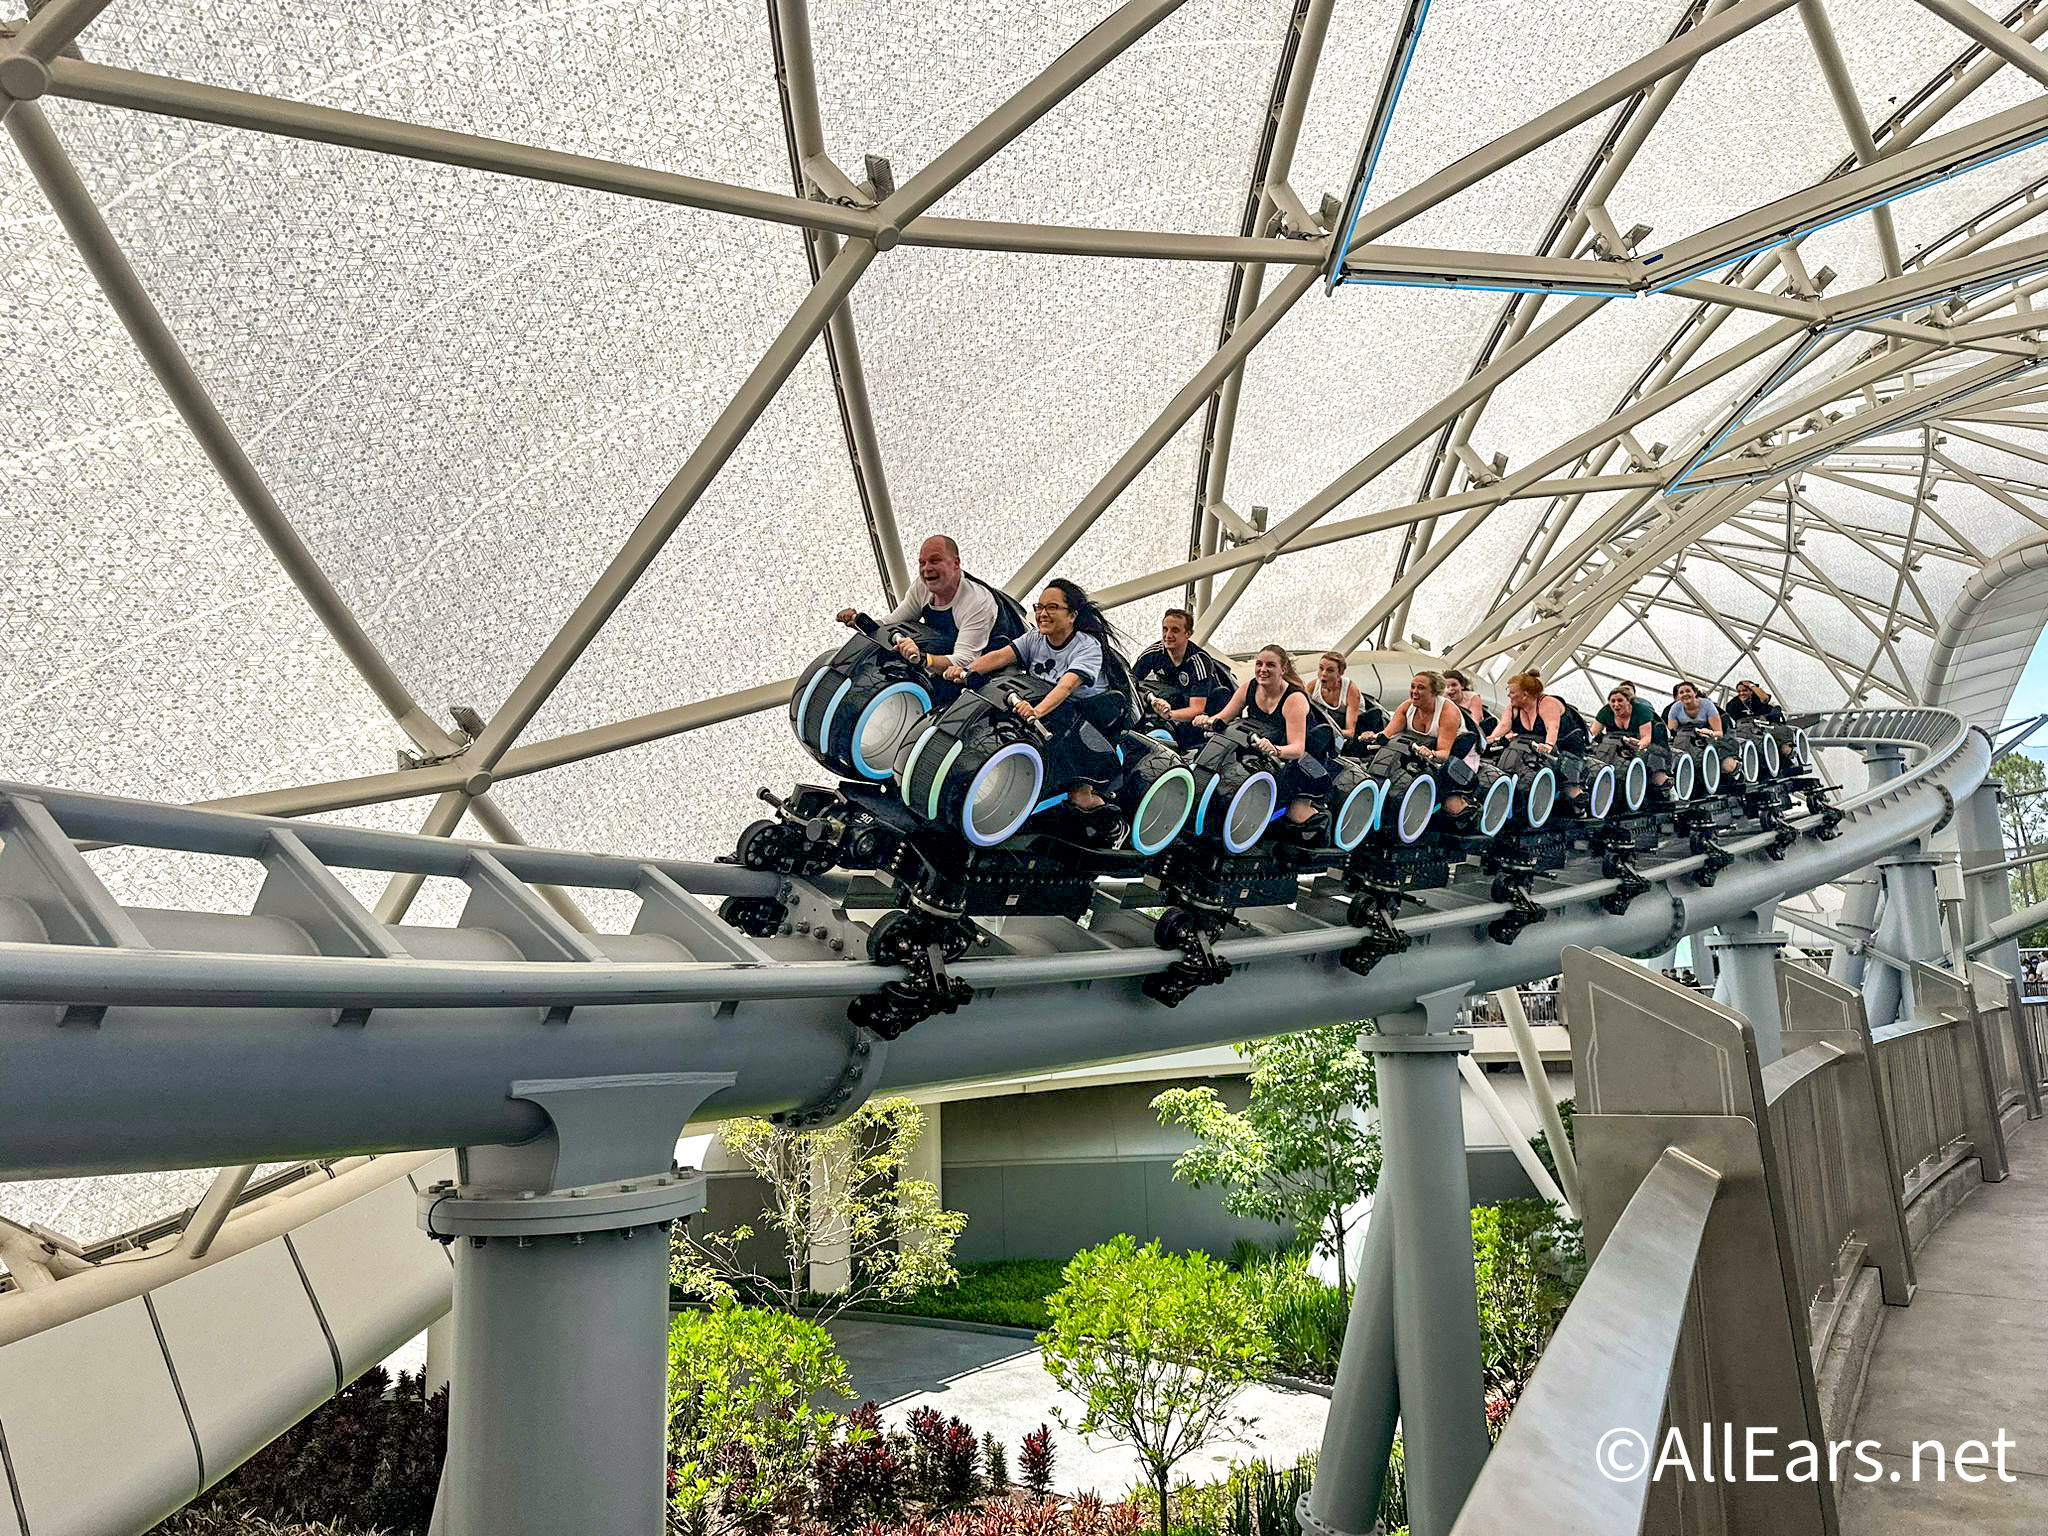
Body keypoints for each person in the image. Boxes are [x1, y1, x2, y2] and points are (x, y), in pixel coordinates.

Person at [947, 578, 1129, 814]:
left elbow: (1066, 687)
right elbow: (1001, 656)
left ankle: (1111, 819)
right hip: (1051, 710)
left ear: (1072, 615)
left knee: (1079, 799)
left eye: (1052, 607)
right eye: (1039, 607)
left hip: (1085, 722)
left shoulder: (1087, 646)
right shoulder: (1035, 638)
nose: (1043, 613)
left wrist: (1037, 711)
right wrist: (967, 671)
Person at [836, 535, 1023, 676]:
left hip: (999, 664)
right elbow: (893, 622)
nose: (927, 569)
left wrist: (925, 659)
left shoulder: (977, 601)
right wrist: (859, 622)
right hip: (952, 654)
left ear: (956, 564)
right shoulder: (921, 586)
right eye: (922, 563)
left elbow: (965, 661)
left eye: (935, 561)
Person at [1195, 645, 1331, 825]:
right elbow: (1222, 718)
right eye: (1259, 664)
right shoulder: (1248, 688)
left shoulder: (1294, 699)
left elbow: (1297, 748)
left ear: (1283, 669)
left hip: (1300, 760)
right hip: (1262, 750)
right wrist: (1207, 721)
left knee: (1296, 815)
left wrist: (1276, 749)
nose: (1263, 670)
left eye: (1270, 665)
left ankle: (1320, 815)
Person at [1131, 607, 1236, 749]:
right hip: (1175, 704)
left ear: (1188, 633)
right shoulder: (1154, 653)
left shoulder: (1199, 662)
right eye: (1165, 629)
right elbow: (1131, 682)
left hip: (1205, 710)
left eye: (1175, 630)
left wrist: (1168, 715)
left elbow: (1196, 709)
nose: (1168, 635)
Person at [1382, 670, 1477, 819]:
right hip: (1418, 754)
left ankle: (1468, 807)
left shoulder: (1448, 712)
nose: (1414, 691)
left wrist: (1431, 753)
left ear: (1434, 692)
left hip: (1456, 759)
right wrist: (1372, 737)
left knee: (1452, 808)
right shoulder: (1407, 707)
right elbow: (1386, 735)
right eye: (1412, 686)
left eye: (1421, 688)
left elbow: (1443, 754)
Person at [1594, 683, 1667, 792]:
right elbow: (1593, 733)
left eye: (1620, 700)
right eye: (1612, 701)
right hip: (1615, 746)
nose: (1616, 704)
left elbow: (1646, 738)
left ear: (1629, 701)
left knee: (1655, 768)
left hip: (1650, 744)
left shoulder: (1642, 710)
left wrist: (1638, 745)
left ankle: (1666, 788)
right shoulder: (1605, 711)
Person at [1311, 651, 1366, 750]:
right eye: (1321, 668)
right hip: (1327, 726)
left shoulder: (1351, 690)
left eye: (1330, 670)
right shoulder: (1312, 687)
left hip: (1352, 732)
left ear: (1340, 673)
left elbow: (1350, 732)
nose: (1323, 674)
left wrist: (1324, 732)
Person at [1442, 668, 1494, 737]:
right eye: (1447, 687)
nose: (1450, 689)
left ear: (1462, 685)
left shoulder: (1473, 697)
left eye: (1454, 685)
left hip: (1473, 731)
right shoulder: (1443, 699)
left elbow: (1474, 723)